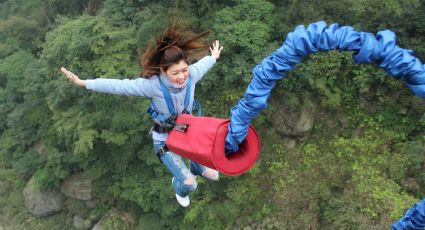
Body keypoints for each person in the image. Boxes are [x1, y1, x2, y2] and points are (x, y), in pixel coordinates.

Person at [60, 23, 223, 207]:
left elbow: (203, 65)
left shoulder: (191, 75)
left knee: (214, 175)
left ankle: (196, 167)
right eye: (175, 73)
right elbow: (119, 86)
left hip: (187, 133)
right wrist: (84, 83)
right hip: (165, 139)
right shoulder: (153, 86)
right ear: (163, 71)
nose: (181, 77)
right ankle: (178, 187)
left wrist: (213, 57)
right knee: (189, 185)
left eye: (184, 70)